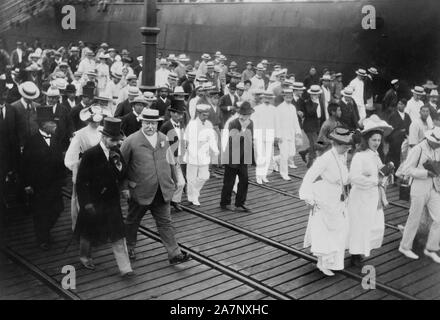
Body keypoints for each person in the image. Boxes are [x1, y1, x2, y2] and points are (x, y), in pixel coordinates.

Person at [121, 108, 191, 264]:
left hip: (162, 191)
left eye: (153, 123)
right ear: (141, 122)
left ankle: (174, 254)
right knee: (132, 221)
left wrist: (175, 179)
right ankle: (130, 247)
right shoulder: (131, 141)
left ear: (157, 124)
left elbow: (171, 161)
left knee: (166, 222)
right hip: (139, 191)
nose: (150, 127)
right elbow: (121, 167)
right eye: (147, 123)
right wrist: (124, 187)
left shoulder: (164, 138)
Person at [75, 117, 134, 276]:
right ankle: (84, 256)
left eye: (117, 140)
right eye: (112, 140)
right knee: (88, 232)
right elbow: (81, 182)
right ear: (103, 137)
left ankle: (125, 268)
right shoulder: (90, 155)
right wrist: (86, 204)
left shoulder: (116, 152)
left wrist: (118, 165)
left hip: (111, 201)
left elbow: (122, 174)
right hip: (94, 201)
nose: (115, 143)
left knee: (118, 234)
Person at [299, 127, 354, 276]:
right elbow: (309, 177)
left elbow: (344, 177)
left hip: (338, 197)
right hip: (325, 197)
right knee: (325, 230)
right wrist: (307, 197)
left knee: (339, 229)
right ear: (336, 144)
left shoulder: (342, 156)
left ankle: (332, 261)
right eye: (345, 145)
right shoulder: (325, 158)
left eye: (348, 145)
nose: (348, 148)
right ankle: (322, 262)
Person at [348, 115, 394, 266]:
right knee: (358, 224)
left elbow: (379, 172)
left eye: (379, 140)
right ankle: (354, 253)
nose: (377, 143)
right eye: (374, 140)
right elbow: (354, 178)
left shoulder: (376, 155)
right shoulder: (359, 156)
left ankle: (362, 249)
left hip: (373, 195)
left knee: (371, 224)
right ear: (366, 139)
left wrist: (386, 173)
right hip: (360, 196)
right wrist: (375, 180)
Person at [22, 107, 65, 250]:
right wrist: (27, 184)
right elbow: (25, 164)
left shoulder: (56, 138)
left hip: (54, 182)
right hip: (38, 184)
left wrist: (62, 178)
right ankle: (42, 238)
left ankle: (45, 231)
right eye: (51, 123)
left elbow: (60, 158)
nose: (55, 125)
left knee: (57, 209)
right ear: (42, 125)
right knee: (40, 212)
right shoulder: (32, 141)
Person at [399, 127, 440, 263]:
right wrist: (425, 173)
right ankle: (405, 246)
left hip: (434, 187)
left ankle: (431, 248)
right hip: (419, 187)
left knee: (439, 219)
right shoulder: (418, 149)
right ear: (430, 139)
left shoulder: (437, 149)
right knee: (414, 218)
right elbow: (406, 169)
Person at [65, 105, 105, 231]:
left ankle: (99, 229)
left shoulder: (104, 131)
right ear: (88, 119)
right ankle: (83, 230)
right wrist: (79, 169)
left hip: (102, 171)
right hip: (87, 173)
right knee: (85, 202)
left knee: (101, 200)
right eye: (93, 119)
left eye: (98, 119)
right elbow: (70, 159)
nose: (96, 122)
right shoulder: (80, 135)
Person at [220, 101, 254, 213]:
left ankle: (240, 203)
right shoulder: (233, 123)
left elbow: (250, 139)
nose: (245, 117)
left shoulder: (251, 123)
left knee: (244, 180)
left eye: (247, 114)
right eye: (243, 114)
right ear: (239, 114)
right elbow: (233, 139)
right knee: (229, 181)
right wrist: (243, 130)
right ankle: (225, 203)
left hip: (243, 157)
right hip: (231, 156)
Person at [184, 104, 219, 206]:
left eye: (207, 115)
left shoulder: (208, 124)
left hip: (204, 155)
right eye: (204, 115)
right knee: (191, 178)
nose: (206, 117)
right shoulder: (192, 124)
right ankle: (192, 197)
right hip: (193, 154)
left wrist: (215, 150)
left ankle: (194, 191)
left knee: (204, 176)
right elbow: (187, 140)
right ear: (198, 114)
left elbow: (212, 138)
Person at [159, 100, 187, 212]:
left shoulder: (181, 125)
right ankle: (166, 201)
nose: (180, 116)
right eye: (178, 114)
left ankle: (174, 201)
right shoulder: (166, 126)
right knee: (173, 182)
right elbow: (160, 142)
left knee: (181, 182)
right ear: (172, 113)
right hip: (168, 158)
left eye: (181, 114)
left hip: (178, 157)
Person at [275, 88, 302, 178]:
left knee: (291, 154)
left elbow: (295, 121)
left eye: (290, 97)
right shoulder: (279, 108)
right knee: (284, 154)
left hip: (291, 134)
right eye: (287, 96)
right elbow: (277, 123)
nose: (289, 98)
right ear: (284, 97)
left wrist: (298, 131)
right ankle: (284, 173)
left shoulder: (293, 107)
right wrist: (278, 135)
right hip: (282, 135)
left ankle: (275, 159)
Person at [252, 90, 277, 184]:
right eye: (266, 98)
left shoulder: (274, 109)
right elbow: (254, 123)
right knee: (260, 156)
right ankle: (259, 176)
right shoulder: (257, 109)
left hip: (269, 135)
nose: (267, 100)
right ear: (262, 98)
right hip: (259, 135)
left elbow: (275, 123)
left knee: (268, 156)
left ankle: (264, 175)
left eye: (269, 98)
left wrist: (275, 135)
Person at [298, 85, 325, 168]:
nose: (314, 96)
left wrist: (323, 124)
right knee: (315, 144)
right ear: (310, 94)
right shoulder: (308, 102)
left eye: (316, 94)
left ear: (319, 94)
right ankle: (310, 163)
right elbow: (310, 112)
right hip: (309, 125)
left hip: (317, 124)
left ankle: (305, 152)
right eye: (313, 94)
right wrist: (315, 103)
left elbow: (322, 113)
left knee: (319, 143)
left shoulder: (320, 101)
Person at [386, 99, 411, 171]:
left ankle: (397, 174)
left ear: (405, 106)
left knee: (401, 157)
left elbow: (409, 128)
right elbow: (389, 128)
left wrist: (405, 133)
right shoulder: (393, 115)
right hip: (394, 140)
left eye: (401, 104)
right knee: (392, 157)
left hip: (403, 140)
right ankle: (387, 172)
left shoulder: (407, 116)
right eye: (399, 104)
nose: (399, 105)